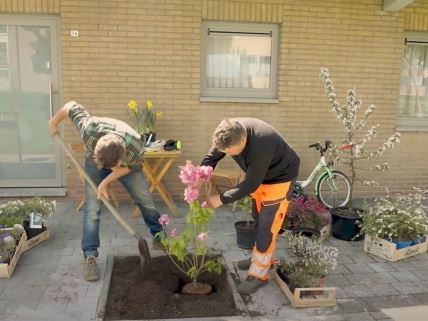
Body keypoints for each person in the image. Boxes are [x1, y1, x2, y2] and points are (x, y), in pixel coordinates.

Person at [48, 101, 164, 282]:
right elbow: (71, 106)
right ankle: (90, 256)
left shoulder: (135, 144)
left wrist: (106, 182)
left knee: (144, 197)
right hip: (95, 162)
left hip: (127, 164)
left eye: (113, 167)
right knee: (93, 208)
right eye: (108, 168)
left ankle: (159, 235)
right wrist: (54, 122)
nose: (111, 170)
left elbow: (128, 168)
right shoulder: (88, 129)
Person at [201, 118, 300, 295]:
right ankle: (261, 259)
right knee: (257, 217)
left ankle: (259, 274)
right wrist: (199, 177)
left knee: (266, 226)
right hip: (261, 175)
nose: (228, 154)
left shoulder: (262, 143)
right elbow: (211, 158)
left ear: (243, 141)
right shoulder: (227, 133)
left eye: (230, 151)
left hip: (280, 178)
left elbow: (250, 185)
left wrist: (221, 199)